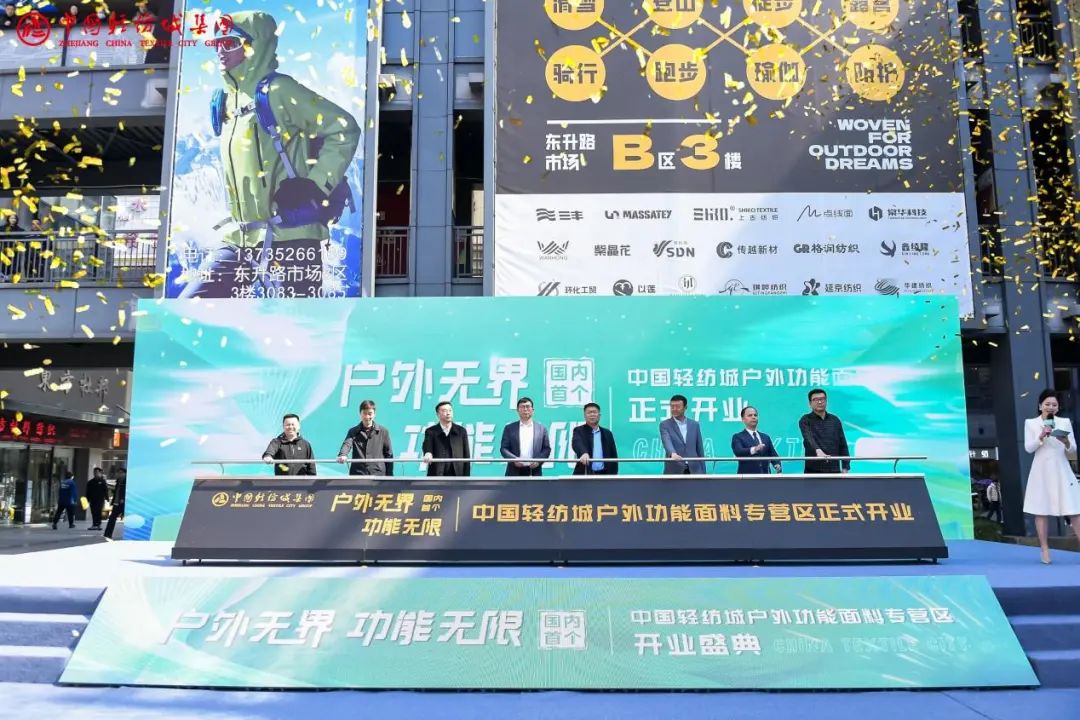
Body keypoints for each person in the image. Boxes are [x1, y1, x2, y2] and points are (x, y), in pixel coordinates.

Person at [180, 10, 361, 298]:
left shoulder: (278, 90)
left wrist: (315, 185)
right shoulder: (226, 100)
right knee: (190, 308)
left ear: (256, 45)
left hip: (293, 236)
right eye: (217, 44)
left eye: (231, 43)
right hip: (240, 237)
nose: (221, 51)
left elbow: (344, 127)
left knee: (301, 322)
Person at [1022, 388, 1080, 564]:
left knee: (1074, 509)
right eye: (1047, 404)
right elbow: (1028, 448)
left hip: (1061, 468)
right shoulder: (1031, 423)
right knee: (1041, 510)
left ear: (1058, 407)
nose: (1051, 407)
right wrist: (1041, 436)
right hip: (1041, 470)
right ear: (1040, 406)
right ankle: (1044, 549)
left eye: (1054, 404)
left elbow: (1073, 449)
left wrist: (1066, 441)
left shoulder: (1064, 422)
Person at [798, 389, 851, 474]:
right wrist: (818, 450)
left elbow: (843, 444)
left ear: (826, 401)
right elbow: (808, 438)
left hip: (834, 469)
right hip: (813, 470)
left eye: (822, 399)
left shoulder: (835, 420)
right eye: (815, 399)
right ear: (810, 403)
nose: (819, 402)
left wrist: (845, 466)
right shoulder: (805, 420)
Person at [336, 399, 394, 476]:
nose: (367, 417)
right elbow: (347, 444)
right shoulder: (353, 431)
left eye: (370, 414)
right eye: (364, 413)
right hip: (358, 474)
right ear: (360, 413)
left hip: (378, 475)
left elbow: (389, 454)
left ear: (374, 414)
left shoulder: (383, 431)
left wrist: (389, 476)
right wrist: (342, 455)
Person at [499, 397, 552, 477]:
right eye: (522, 407)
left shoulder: (541, 429)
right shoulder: (509, 428)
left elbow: (546, 449)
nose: (525, 409)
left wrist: (538, 461)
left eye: (528, 406)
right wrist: (514, 460)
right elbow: (504, 448)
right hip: (514, 470)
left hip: (534, 470)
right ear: (517, 410)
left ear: (533, 410)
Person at [659, 394, 705, 474]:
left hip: (694, 469)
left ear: (685, 407)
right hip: (675, 469)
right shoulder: (665, 425)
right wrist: (672, 453)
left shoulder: (694, 425)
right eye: (672, 407)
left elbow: (699, 449)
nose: (674, 409)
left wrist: (703, 472)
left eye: (678, 406)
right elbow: (666, 440)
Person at [422, 402, 470, 476]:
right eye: (444, 411)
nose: (448, 413)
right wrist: (428, 453)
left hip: (457, 474)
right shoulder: (431, 431)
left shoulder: (461, 431)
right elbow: (427, 445)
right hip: (437, 473)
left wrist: (467, 477)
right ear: (438, 414)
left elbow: (466, 455)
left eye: (450, 410)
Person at [731, 406, 783, 475]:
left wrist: (777, 464)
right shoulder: (738, 437)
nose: (753, 417)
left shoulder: (765, 437)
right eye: (750, 415)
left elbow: (773, 455)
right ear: (743, 419)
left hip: (765, 477)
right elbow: (739, 452)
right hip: (747, 477)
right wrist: (754, 449)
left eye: (755, 415)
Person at [571, 402, 619, 475]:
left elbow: (613, 455)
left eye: (594, 412)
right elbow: (577, 443)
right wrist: (583, 453)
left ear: (599, 415)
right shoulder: (579, 430)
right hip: (585, 473)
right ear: (584, 416)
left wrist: (614, 475)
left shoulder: (607, 433)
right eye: (589, 412)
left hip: (605, 475)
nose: (592, 414)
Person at [103, 467, 126, 539]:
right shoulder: (118, 481)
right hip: (116, 503)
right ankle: (107, 534)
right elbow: (116, 491)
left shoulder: (127, 481)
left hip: (124, 503)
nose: (119, 474)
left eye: (121, 473)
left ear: (125, 473)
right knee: (112, 518)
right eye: (118, 473)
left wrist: (123, 499)